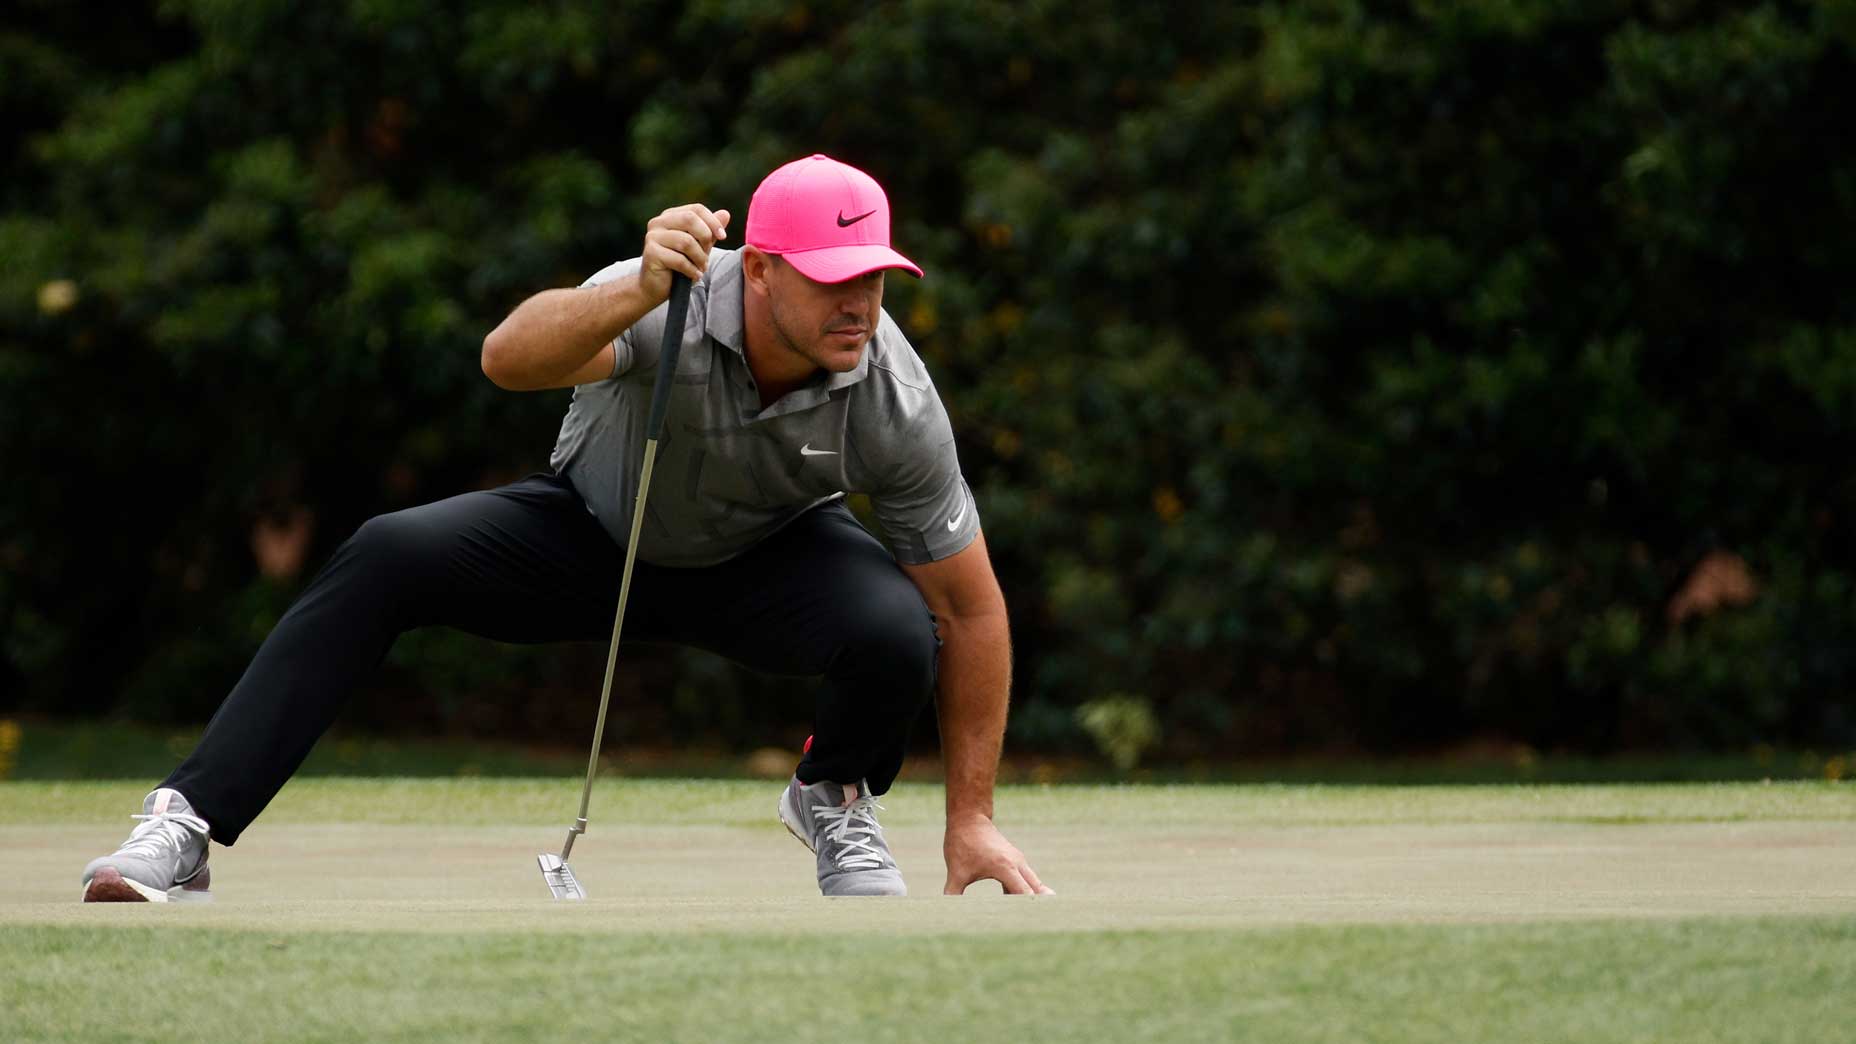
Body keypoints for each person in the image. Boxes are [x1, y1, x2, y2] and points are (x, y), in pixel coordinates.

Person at [80, 154, 1051, 901]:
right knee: (385, 554)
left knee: (898, 626)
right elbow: (506, 359)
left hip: (767, 557)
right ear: (757, 269)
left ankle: (831, 794)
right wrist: (634, 291)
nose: (858, 302)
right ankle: (186, 826)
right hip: (589, 534)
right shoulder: (666, 294)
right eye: (831, 277)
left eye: (872, 276)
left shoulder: (891, 392)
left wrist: (969, 819)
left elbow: (971, 609)